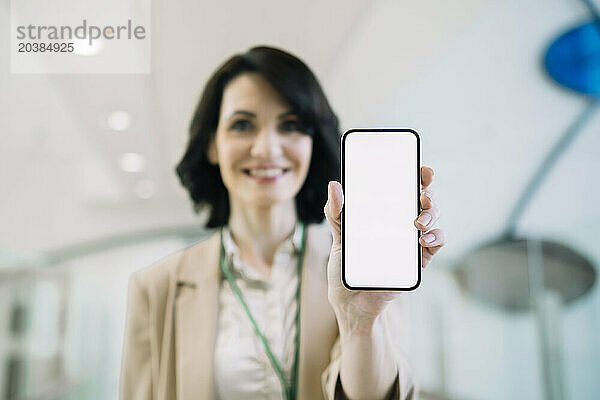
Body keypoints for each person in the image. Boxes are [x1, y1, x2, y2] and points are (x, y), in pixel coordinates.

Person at [119, 46, 445, 400]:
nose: (267, 149)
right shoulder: (156, 287)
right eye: (242, 125)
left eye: (290, 125)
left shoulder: (364, 267)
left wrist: (360, 324)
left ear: (312, 143)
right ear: (212, 144)